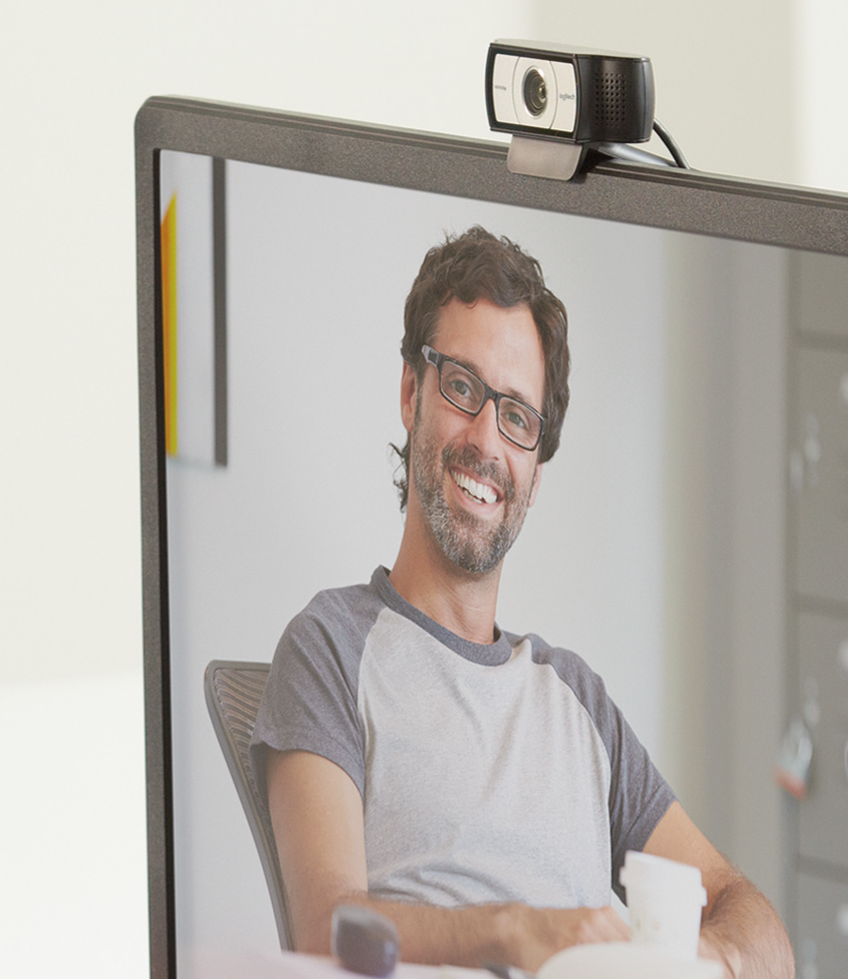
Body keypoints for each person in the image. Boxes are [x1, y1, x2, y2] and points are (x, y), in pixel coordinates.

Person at [252, 226, 792, 978]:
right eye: (463, 388)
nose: (486, 440)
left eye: (518, 417)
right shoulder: (330, 646)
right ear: (412, 391)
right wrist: (512, 932)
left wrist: (709, 960)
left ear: (535, 469)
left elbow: (748, 911)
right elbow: (327, 928)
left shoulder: (576, 699)